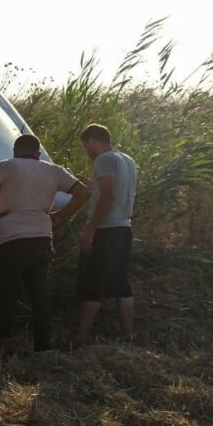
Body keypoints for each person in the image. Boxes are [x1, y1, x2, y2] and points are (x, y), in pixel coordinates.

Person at [0, 134, 90, 354]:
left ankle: (4, 343)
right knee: (39, 296)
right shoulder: (54, 170)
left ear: (15, 151)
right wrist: (59, 216)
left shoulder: (5, 166)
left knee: (8, 293)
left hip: (11, 238)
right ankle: (42, 347)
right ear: (37, 154)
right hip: (41, 237)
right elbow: (83, 193)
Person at [72, 124, 138, 347]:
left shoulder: (104, 160)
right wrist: (90, 185)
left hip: (106, 230)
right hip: (123, 229)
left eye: (86, 147)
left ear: (93, 141)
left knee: (93, 281)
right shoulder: (127, 160)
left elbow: (107, 197)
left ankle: (80, 338)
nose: (87, 152)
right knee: (120, 283)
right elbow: (113, 190)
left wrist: (90, 229)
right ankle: (128, 335)